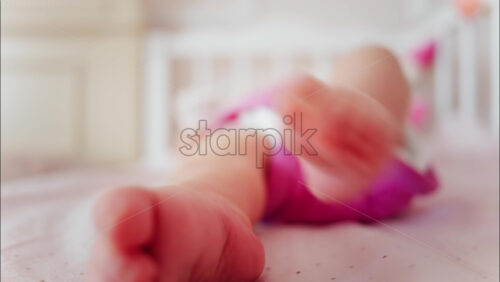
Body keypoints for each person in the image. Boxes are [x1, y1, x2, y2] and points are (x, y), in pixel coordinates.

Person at [88, 46, 437, 281]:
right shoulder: (237, 122)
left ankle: (348, 124)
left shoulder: (254, 114)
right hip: (269, 164)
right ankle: (209, 219)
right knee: (219, 163)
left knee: (373, 59)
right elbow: (191, 149)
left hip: (349, 155)